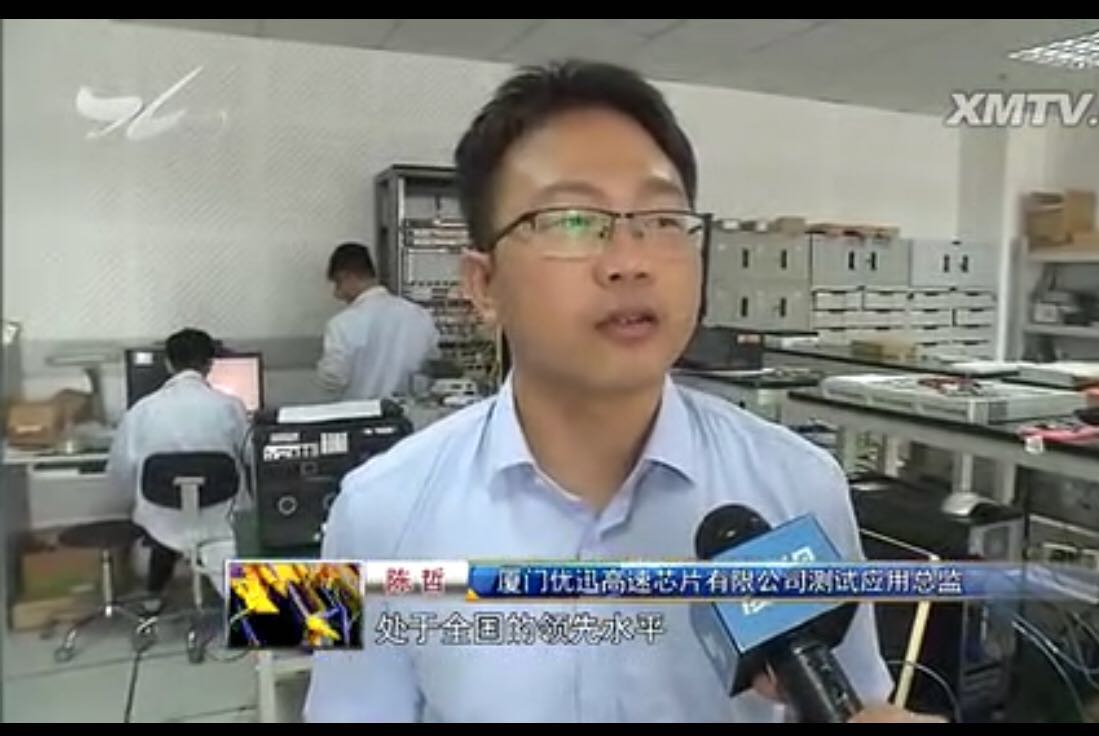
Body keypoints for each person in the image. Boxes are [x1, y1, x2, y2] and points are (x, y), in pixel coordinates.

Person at [304, 60, 939, 723]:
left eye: (663, 220)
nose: (630, 261)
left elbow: (856, 700)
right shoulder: (371, 510)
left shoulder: (802, 486)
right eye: (573, 222)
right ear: (483, 285)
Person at [107, 328, 248, 611]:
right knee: (232, 518)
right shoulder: (230, 407)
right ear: (209, 364)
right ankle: (241, 600)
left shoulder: (141, 410)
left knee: (164, 521)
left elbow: (119, 470)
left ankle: (153, 597)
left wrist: (135, 499)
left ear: (168, 364)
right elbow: (251, 456)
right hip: (220, 518)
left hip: (162, 518)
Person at [317, 242, 441, 400]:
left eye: (338, 284)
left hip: (360, 412)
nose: (337, 294)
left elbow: (333, 379)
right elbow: (431, 367)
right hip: (409, 413)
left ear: (347, 276)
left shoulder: (342, 324)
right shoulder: (420, 315)